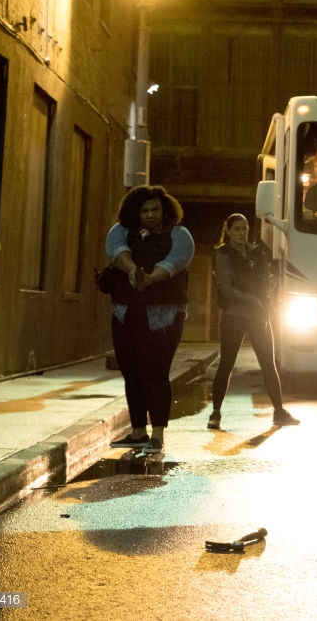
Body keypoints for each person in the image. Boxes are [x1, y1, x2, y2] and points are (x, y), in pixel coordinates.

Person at [105, 185, 195, 454]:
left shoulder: (180, 234)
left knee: (155, 372)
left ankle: (157, 433)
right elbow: (115, 249)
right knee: (131, 372)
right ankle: (137, 432)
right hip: (126, 312)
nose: (150, 214)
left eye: (155, 209)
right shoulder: (121, 230)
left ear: (165, 209)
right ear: (136, 213)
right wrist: (132, 270)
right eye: (144, 210)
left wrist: (150, 278)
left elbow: (176, 261)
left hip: (164, 316)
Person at [208, 213, 299, 430]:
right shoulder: (224, 256)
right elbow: (227, 290)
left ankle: (279, 411)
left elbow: (266, 275)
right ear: (228, 231)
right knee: (226, 365)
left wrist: (270, 283)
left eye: (244, 228)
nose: (241, 233)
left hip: (259, 316)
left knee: (269, 364)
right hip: (234, 316)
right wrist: (254, 299)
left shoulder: (256, 252)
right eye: (237, 229)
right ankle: (216, 413)